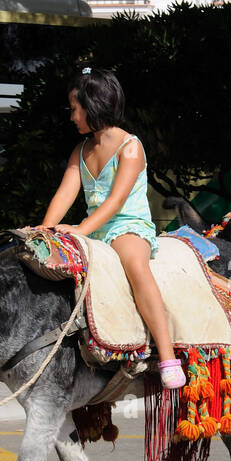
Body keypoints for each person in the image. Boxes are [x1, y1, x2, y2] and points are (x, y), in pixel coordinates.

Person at [41, 68, 184, 389]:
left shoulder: (130, 147)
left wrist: (78, 230)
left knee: (135, 265)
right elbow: (65, 193)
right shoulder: (80, 151)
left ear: (93, 106)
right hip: (93, 230)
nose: (72, 116)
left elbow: (116, 201)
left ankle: (166, 355)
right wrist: (45, 228)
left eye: (75, 108)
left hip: (128, 226)